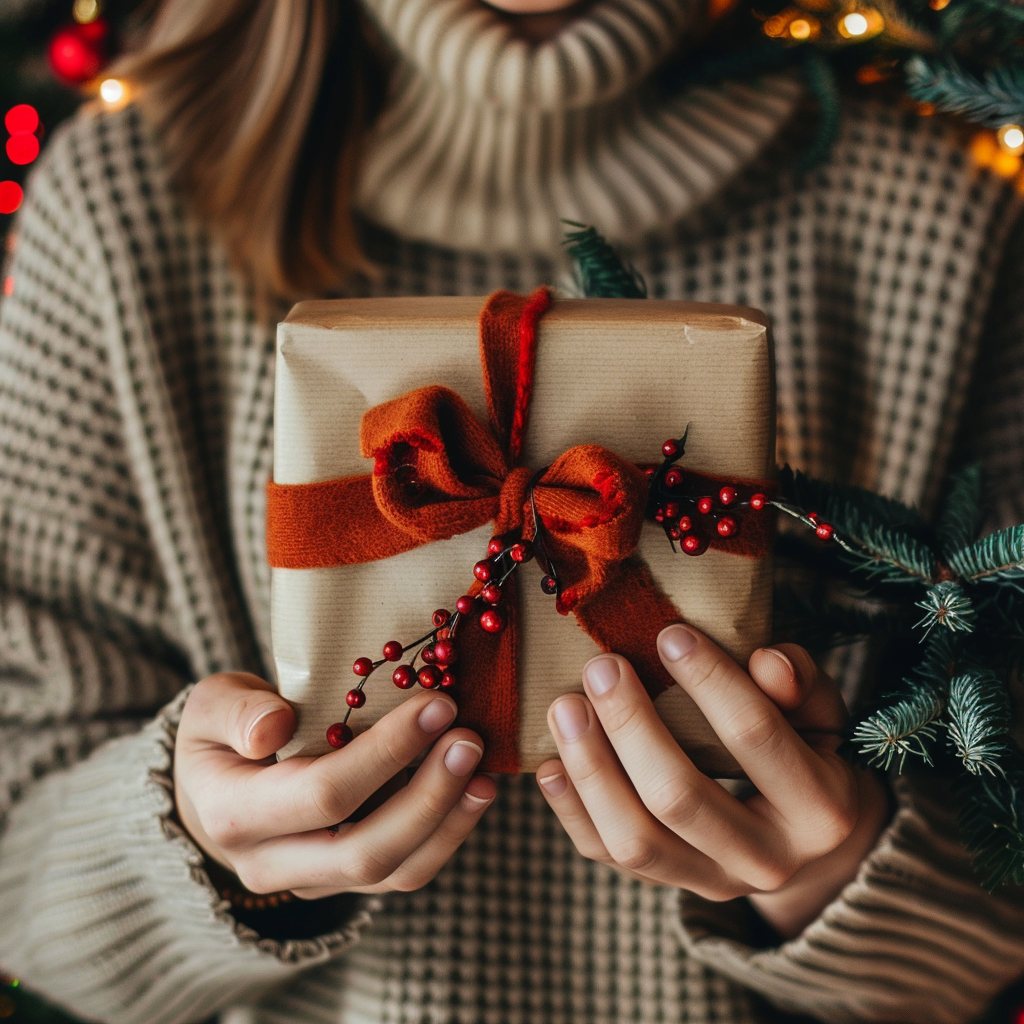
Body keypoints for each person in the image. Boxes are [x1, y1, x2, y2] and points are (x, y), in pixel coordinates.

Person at [0, 0, 1023, 1020]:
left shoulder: (953, 207)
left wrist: (837, 873)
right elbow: (16, 862)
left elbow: (999, 903)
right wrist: (188, 840)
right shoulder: (127, 195)